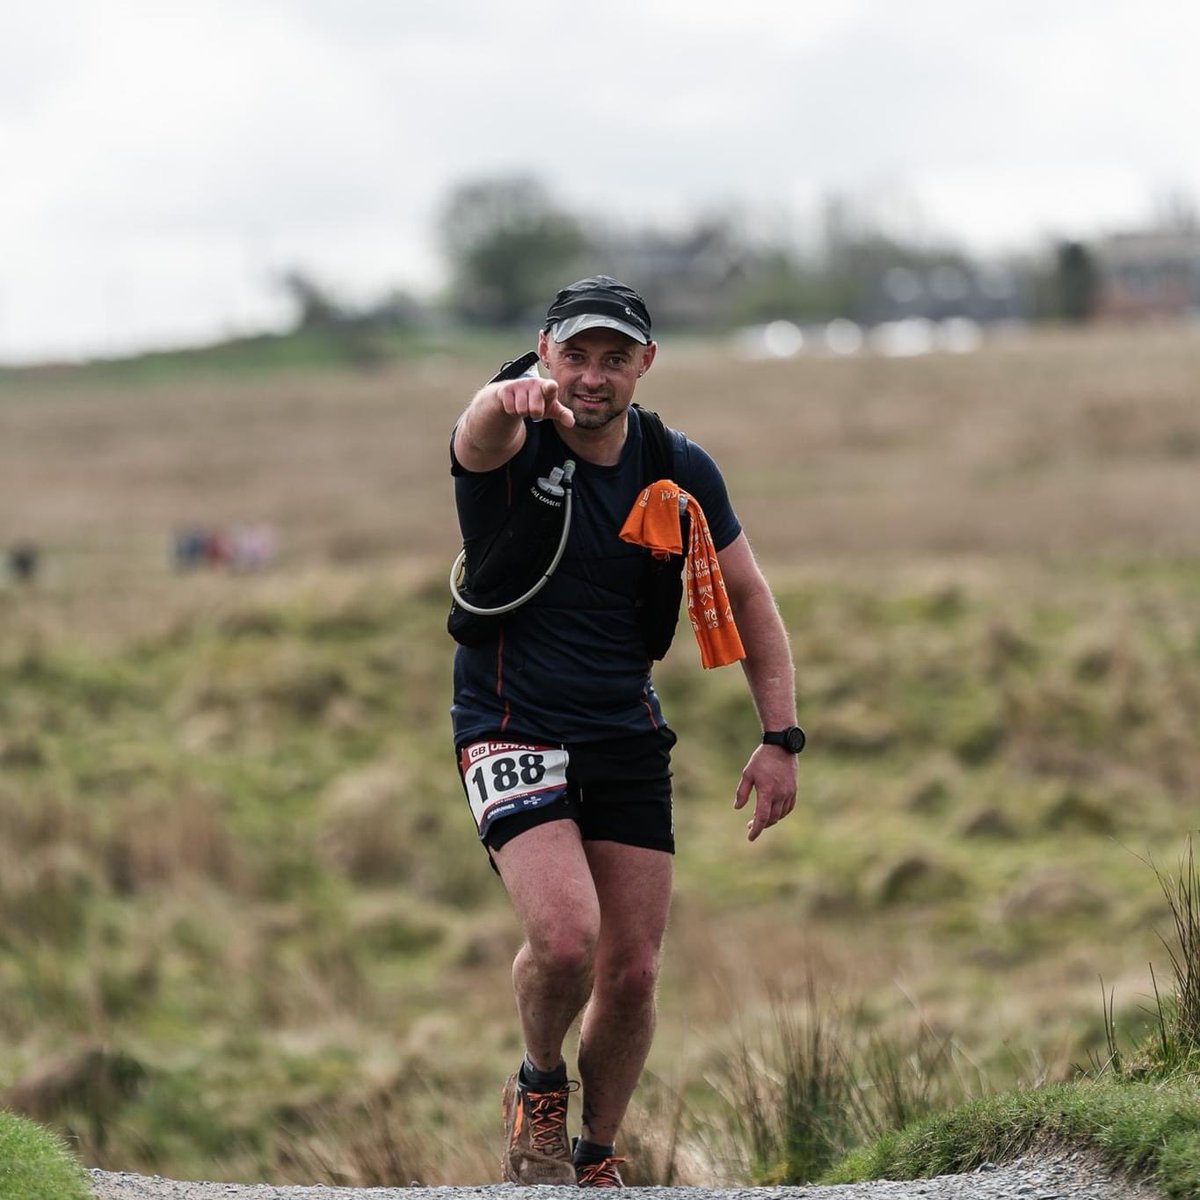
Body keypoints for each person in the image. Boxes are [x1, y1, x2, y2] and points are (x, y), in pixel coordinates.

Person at [449, 275, 803, 1188]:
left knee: (634, 970)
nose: (592, 376)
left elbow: (749, 595)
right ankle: (538, 1085)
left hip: (624, 728)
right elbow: (474, 436)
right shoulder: (514, 435)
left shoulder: (675, 466)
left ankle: (597, 1156)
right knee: (567, 939)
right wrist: (502, 397)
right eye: (575, 355)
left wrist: (781, 736)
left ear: (646, 362)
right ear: (545, 352)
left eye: (614, 358)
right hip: (510, 722)